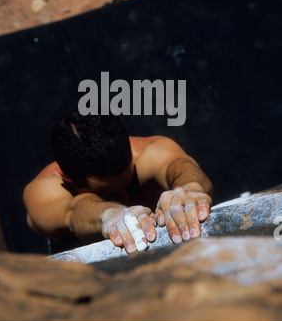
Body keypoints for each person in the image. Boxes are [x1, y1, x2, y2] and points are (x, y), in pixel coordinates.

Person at [24, 109, 213, 254]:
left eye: (128, 182)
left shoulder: (149, 153)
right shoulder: (44, 190)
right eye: (109, 194)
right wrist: (108, 214)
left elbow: (181, 167)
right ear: (67, 179)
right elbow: (73, 212)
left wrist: (190, 188)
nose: (124, 197)